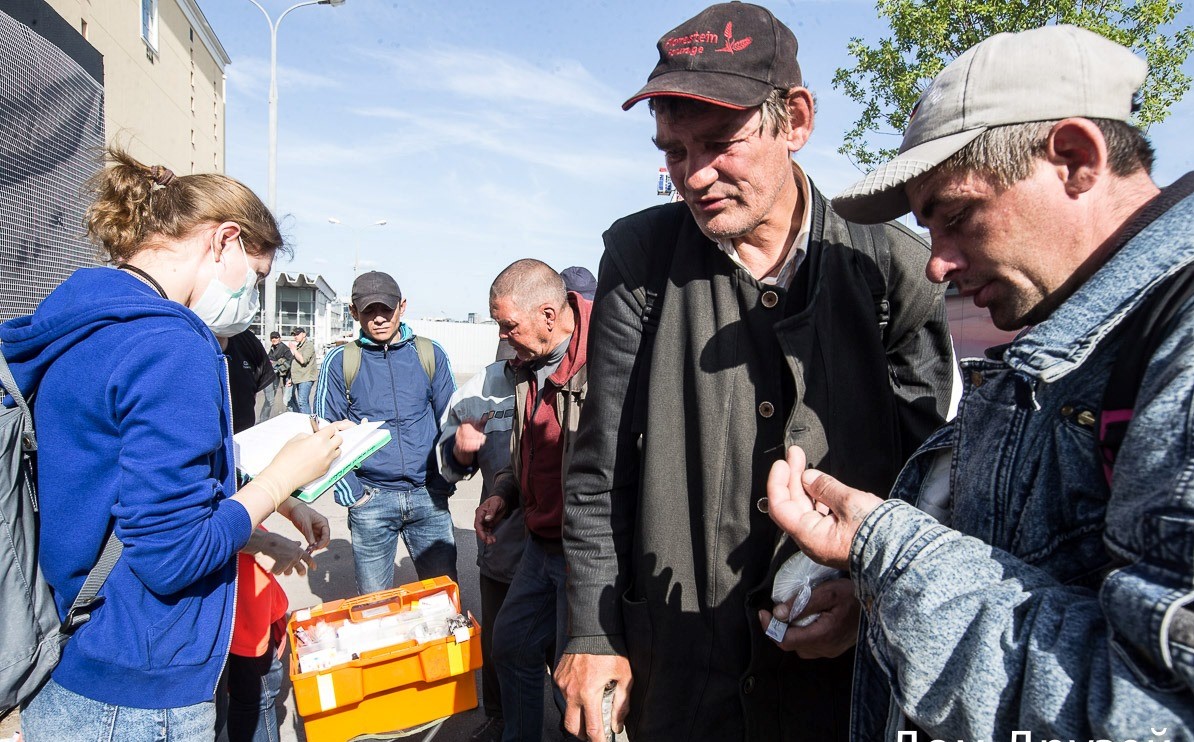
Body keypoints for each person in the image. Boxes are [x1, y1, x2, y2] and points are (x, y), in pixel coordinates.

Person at [765, 25, 1194, 741]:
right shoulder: (1064, 352)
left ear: (1076, 158)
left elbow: (1152, 713)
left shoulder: (1174, 348)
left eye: (957, 215)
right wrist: (875, 595)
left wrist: (889, 552)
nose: (936, 264)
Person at [557, 4, 956, 740]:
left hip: (830, 686)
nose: (693, 175)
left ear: (795, 120)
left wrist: (867, 597)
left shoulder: (891, 269)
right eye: (673, 151)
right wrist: (591, 630)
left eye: (719, 143)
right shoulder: (640, 263)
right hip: (680, 672)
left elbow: (922, 489)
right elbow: (597, 471)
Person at [0, 148, 348, 739]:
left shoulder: (84, 320)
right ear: (224, 240)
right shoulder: (171, 345)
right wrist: (280, 479)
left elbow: (125, 497)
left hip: (74, 656)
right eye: (256, 278)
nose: (251, 300)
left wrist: (261, 528)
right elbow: (172, 558)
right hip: (139, 689)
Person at [474, 259, 592, 742]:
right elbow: (529, 448)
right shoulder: (528, 364)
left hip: (583, 554)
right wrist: (503, 492)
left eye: (509, 326)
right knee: (512, 647)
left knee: (575, 682)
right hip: (539, 546)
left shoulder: (609, 359)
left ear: (549, 314)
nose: (505, 338)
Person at [218, 328, 330, 742]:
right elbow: (183, 514)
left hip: (248, 578)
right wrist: (260, 542)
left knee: (261, 686)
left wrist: (294, 507)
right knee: (239, 696)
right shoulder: (174, 357)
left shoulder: (243, 342)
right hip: (216, 586)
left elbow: (240, 469)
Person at [314, 270, 457, 593]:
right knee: (375, 607)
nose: (379, 319)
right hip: (372, 502)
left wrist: (442, 481)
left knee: (444, 600)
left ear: (402, 307)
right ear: (354, 312)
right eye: (368, 311)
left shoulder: (430, 353)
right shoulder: (340, 362)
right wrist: (355, 496)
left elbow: (453, 421)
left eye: (386, 310)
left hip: (428, 498)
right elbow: (324, 431)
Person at [437, 338, 520, 742]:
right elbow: (448, 468)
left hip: (568, 545)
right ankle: (500, 716)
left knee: (566, 645)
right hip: (501, 540)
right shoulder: (480, 388)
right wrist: (462, 451)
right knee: (499, 642)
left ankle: (570, 721)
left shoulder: (583, 377)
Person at [259, 330, 293, 422]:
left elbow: (289, 362)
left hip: (284, 377)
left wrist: (276, 367)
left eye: (276, 337)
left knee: (285, 400)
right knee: (271, 400)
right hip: (274, 376)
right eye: (272, 338)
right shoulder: (273, 347)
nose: (274, 339)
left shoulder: (283, 348)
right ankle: (264, 420)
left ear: (279, 338)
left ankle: (264, 420)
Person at [289, 326, 317, 414]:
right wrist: (291, 379)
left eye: (297, 334)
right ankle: (308, 421)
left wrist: (293, 349)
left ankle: (307, 423)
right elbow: (296, 365)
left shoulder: (308, 345)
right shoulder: (299, 346)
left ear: (304, 334)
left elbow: (303, 360)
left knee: (302, 402)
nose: (295, 336)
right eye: (294, 335)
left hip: (306, 377)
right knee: (303, 402)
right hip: (299, 377)